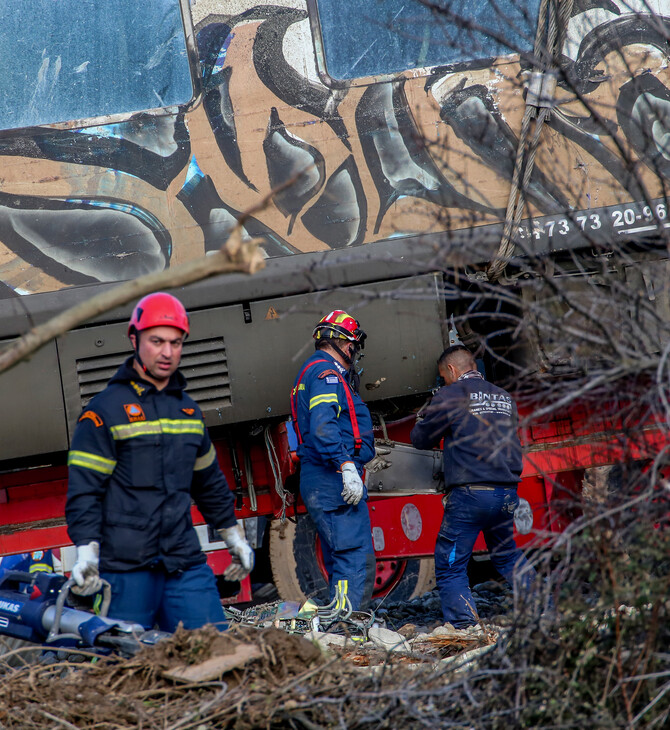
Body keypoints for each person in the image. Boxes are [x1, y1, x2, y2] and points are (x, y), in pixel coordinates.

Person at [65, 292, 254, 632]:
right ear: (134, 339)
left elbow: (209, 483)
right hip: (126, 570)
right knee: (128, 667)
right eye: (157, 341)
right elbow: (85, 493)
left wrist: (234, 537)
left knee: (215, 653)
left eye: (176, 343)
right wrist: (86, 552)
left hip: (184, 563)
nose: (167, 352)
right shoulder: (103, 413)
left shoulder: (188, 412)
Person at [410, 344, 536, 628]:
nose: (444, 381)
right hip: (506, 493)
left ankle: (465, 626)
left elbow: (421, 439)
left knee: (451, 564)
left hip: (470, 496)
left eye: (444, 376)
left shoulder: (452, 394)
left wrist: (424, 416)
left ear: (452, 371)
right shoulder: (505, 397)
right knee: (506, 555)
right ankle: (542, 610)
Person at [290, 310, 376, 610]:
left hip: (321, 476)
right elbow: (324, 426)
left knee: (340, 557)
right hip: (331, 477)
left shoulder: (313, 372)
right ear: (340, 342)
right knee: (353, 555)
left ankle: (340, 618)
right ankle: (350, 622)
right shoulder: (326, 374)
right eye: (352, 344)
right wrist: (346, 466)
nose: (354, 351)